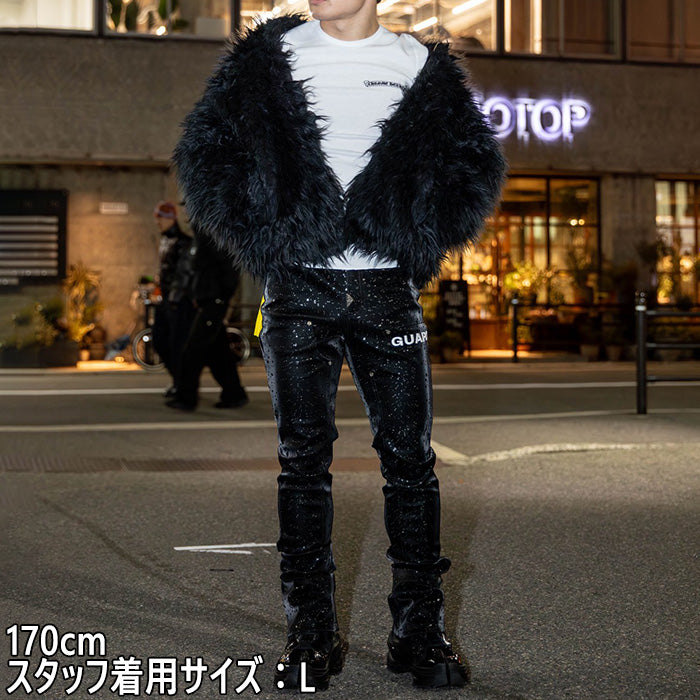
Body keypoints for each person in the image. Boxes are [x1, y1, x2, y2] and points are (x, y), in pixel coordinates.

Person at [173, 0, 505, 691]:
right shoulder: (268, 58)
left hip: (387, 289)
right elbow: (205, 156)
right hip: (298, 288)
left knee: (410, 462)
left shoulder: (417, 63)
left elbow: (473, 167)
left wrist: (411, 235)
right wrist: (270, 236)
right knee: (302, 462)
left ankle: (418, 632)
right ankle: (310, 632)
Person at [166, 229, 248, 412]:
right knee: (218, 351)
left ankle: (187, 398)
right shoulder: (205, 236)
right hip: (209, 300)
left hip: (213, 301)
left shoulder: (211, 236)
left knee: (194, 350)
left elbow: (226, 269)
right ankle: (234, 394)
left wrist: (219, 297)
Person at [152, 201, 195, 397]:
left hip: (177, 301)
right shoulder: (167, 240)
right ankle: (180, 382)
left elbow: (183, 275)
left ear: (170, 218)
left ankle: (182, 385)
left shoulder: (183, 243)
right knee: (161, 340)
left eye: (160, 217)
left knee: (177, 345)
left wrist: (176, 296)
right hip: (168, 298)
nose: (158, 221)